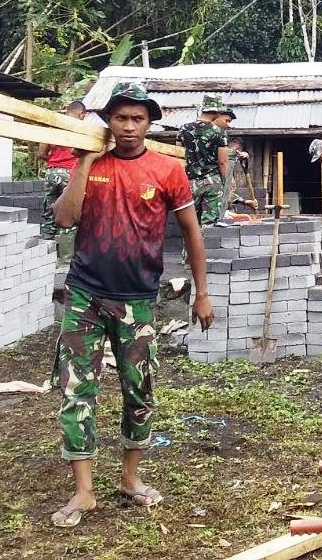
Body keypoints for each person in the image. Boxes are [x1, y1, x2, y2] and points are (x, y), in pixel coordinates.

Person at [49, 82, 214, 527]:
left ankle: (130, 479)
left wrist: (202, 291)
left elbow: (192, 232)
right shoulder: (90, 164)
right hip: (85, 294)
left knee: (138, 391)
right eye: (120, 117)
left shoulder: (166, 170)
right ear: (108, 121)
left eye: (137, 118)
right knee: (76, 390)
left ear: (148, 123)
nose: (128, 126)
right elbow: (64, 219)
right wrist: (83, 162)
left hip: (138, 299)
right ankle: (83, 492)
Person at [177, 95, 230, 226]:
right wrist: (228, 183)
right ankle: (208, 246)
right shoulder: (219, 132)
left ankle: (187, 246)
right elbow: (223, 162)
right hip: (213, 182)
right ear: (217, 111)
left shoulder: (184, 129)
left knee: (189, 223)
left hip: (189, 181)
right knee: (210, 224)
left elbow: (178, 155)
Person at [38, 100, 87, 239]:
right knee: (68, 210)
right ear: (81, 114)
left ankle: (45, 241)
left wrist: (55, 161)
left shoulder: (53, 127)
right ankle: (65, 246)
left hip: (52, 172)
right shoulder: (82, 129)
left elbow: (41, 153)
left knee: (49, 208)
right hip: (70, 173)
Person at [224, 138, 257, 212]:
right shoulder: (219, 175)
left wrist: (244, 201)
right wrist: (238, 153)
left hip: (227, 210)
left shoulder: (230, 177)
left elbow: (229, 194)